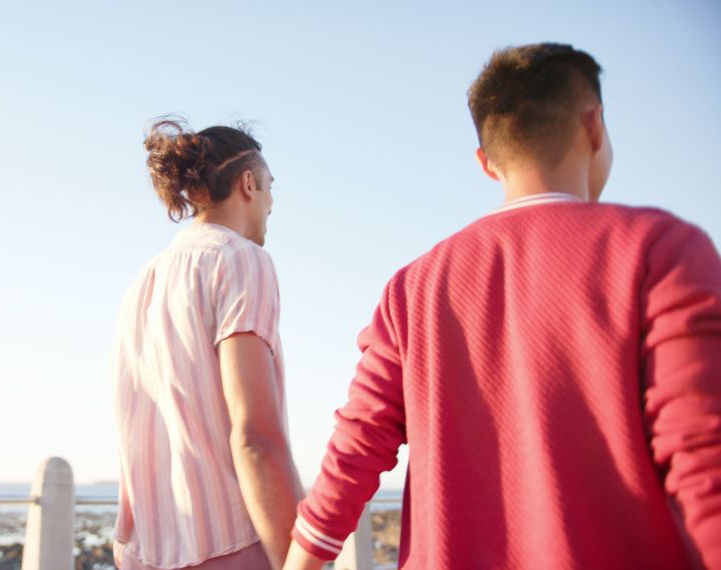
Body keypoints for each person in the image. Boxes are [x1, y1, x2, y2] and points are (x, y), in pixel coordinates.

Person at [284, 43, 721, 569]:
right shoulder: (661, 251)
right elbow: (705, 459)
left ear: (486, 163)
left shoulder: (412, 288)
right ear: (595, 126)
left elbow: (354, 449)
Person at [110, 118, 304, 569]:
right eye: (271, 187)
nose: (273, 203)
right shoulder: (241, 259)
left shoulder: (144, 280)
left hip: (143, 551)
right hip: (231, 545)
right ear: (248, 184)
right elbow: (255, 434)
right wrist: (296, 561)